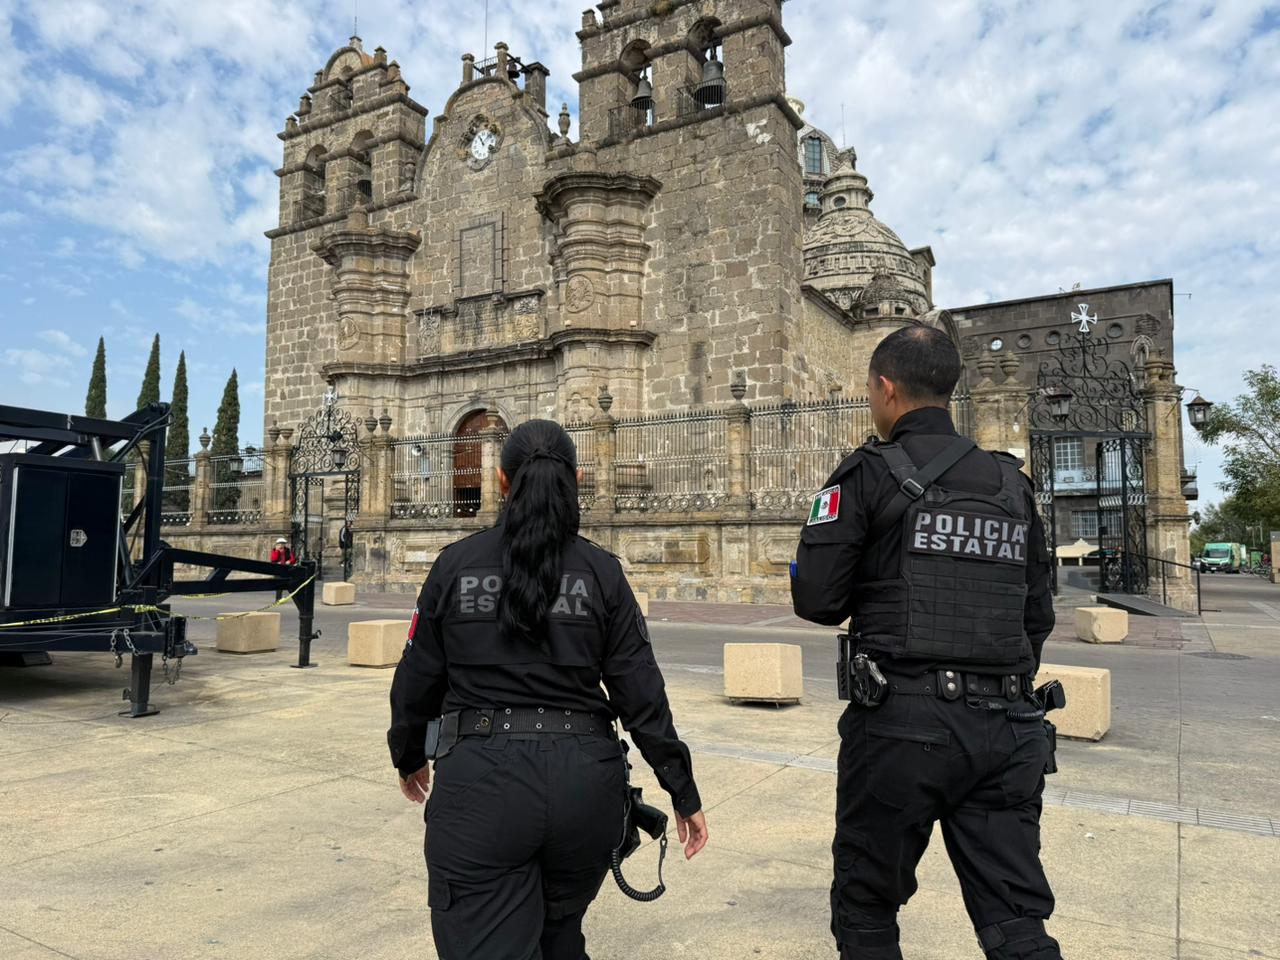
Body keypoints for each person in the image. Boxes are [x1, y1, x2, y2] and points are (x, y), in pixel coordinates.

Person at [388, 418, 708, 959]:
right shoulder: (602, 573)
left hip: (482, 785)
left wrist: (408, 755)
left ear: (500, 480)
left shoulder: (454, 566)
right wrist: (683, 790)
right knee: (560, 935)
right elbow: (641, 693)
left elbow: (416, 678)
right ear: (576, 480)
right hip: (585, 786)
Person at [792, 326, 1061, 960]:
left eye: (869, 391)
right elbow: (1037, 613)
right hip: (1008, 725)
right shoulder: (1011, 485)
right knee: (1016, 920)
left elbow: (817, 600)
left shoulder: (866, 473)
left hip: (901, 726)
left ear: (886, 388)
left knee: (866, 905)